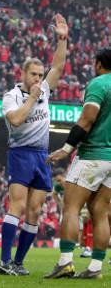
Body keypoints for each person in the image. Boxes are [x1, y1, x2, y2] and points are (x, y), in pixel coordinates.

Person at [0, 13, 68, 276]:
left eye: (41, 74)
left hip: (42, 155)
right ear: (23, 74)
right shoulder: (11, 96)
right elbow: (15, 120)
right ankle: (4, 261)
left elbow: (58, 67)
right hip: (21, 153)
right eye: (34, 74)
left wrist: (62, 38)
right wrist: (32, 99)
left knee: (36, 211)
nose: (39, 79)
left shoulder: (45, 89)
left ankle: (18, 262)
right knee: (18, 206)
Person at [44, 46, 111, 280]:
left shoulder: (99, 83)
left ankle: (65, 263)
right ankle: (95, 267)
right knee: (101, 212)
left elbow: (87, 118)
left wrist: (67, 148)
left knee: (71, 208)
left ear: (99, 64)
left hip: (93, 154)